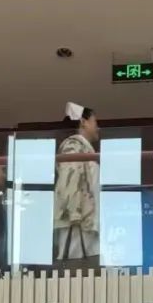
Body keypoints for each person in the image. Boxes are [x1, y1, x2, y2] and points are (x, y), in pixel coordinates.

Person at [54, 103, 100, 268]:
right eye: (95, 122)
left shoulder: (83, 149)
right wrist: (74, 215)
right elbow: (70, 181)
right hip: (77, 222)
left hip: (85, 221)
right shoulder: (72, 147)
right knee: (77, 270)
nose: (98, 127)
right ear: (83, 122)